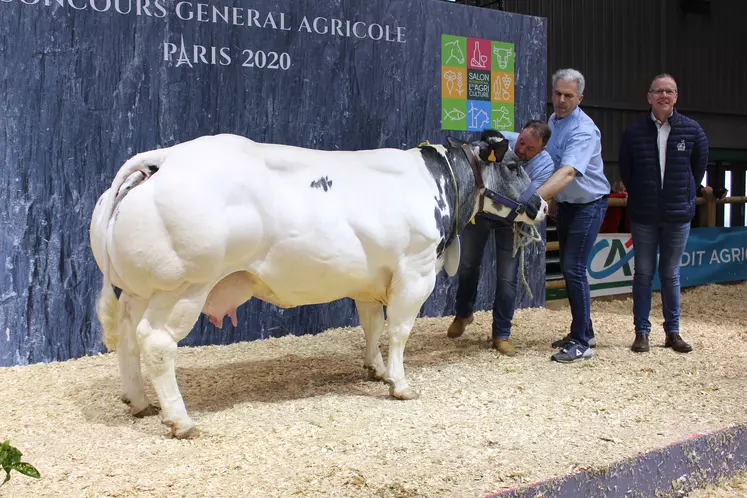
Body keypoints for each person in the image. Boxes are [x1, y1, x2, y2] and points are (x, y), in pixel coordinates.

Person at [446, 120, 554, 355]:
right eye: (522, 142)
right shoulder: (505, 141)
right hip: (483, 212)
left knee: (507, 277)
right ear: (520, 134)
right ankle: (463, 314)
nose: (521, 150)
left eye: (530, 149)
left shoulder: (545, 164)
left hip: (512, 219)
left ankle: (501, 334)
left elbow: (527, 199)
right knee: (467, 265)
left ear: (541, 150)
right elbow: (481, 145)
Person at [618, 73, 708, 354]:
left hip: (677, 215)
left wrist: (679, 195)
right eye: (658, 91)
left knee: (670, 274)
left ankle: (673, 332)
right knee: (643, 274)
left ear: (676, 97)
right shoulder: (633, 133)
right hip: (644, 215)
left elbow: (697, 170)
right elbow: (627, 171)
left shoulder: (693, 131)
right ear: (649, 96)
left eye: (669, 91)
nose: (664, 96)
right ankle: (641, 333)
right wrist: (645, 195)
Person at [537, 68, 611, 363]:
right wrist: (554, 199)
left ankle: (581, 343)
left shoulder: (584, 129)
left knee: (574, 268)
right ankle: (585, 331)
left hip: (589, 205)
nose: (562, 100)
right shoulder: (553, 121)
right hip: (568, 205)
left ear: (580, 97)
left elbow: (568, 172)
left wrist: (537, 199)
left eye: (569, 95)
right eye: (557, 94)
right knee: (571, 270)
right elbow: (551, 163)